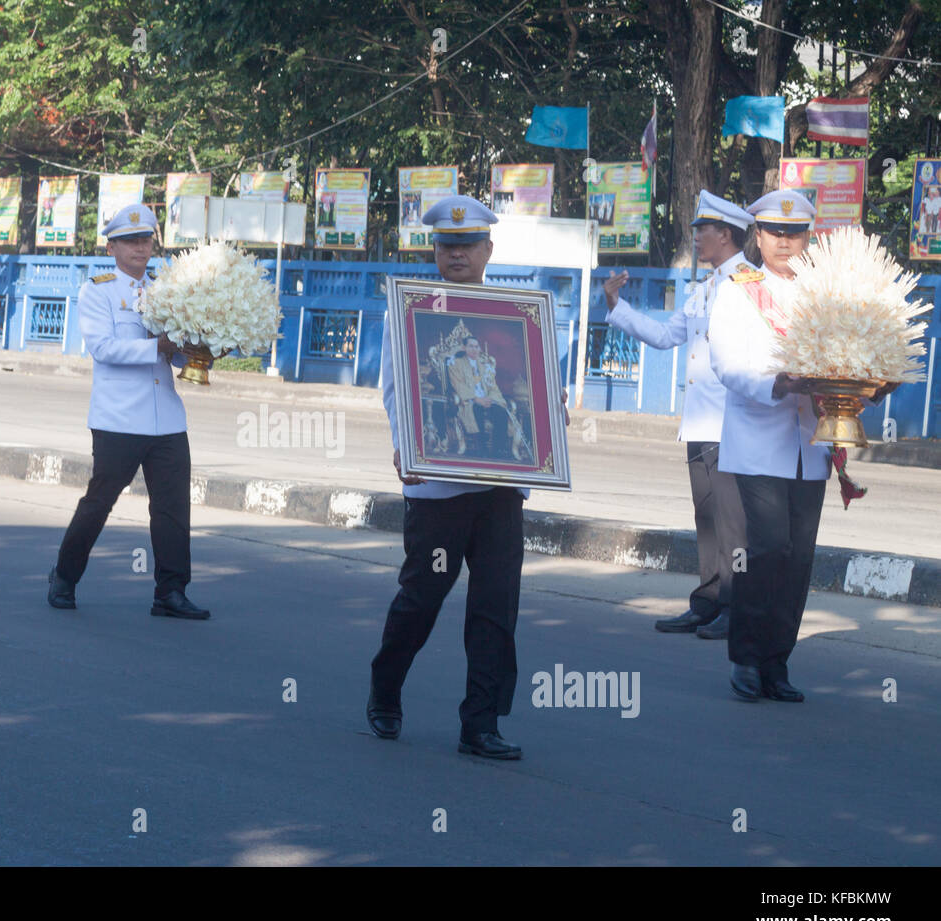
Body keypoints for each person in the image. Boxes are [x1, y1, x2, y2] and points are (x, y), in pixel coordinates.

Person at [370, 195, 565, 760]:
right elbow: (395, 390)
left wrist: (552, 410)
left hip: (502, 485)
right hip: (438, 486)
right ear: (435, 250)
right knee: (422, 596)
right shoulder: (411, 308)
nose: (455, 255)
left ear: (488, 249)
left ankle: (480, 723)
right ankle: (386, 687)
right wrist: (406, 447)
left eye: (466, 245)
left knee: (496, 605)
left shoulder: (517, 312)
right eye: (446, 245)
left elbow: (535, 387)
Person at [708, 189, 886, 703]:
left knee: (799, 557)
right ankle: (745, 656)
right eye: (775, 232)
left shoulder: (826, 292)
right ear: (757, 236)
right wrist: (778, 384)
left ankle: (776, 662)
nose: (785, 242)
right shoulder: (738, 289)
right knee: (766, 549)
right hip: (758, 441)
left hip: (812, 445)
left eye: (795, 233)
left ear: (809, 237)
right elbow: (727, 362)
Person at [602, 190, 753, 640]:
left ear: (724, 235)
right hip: (702, 422)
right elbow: (668, 336)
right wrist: (618, 307)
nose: (698, 239)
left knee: (734, 524)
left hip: (734, 424)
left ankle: (735, 605)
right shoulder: (705, 288)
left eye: (702, 231)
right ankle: (707, 600)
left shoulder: (750, 284)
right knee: (706, 517)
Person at [48, 203, 210, 620]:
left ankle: (171, 592)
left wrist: (199, 352)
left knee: (173, 508)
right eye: (131, 241)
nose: (141, 248)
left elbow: (174, 360)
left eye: (146, 240)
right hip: (118, 418)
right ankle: (65, 575)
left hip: (167, 418)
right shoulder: (97, 290)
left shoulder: (168, 290)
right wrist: (156, 346)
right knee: (99, 501)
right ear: (112, 247)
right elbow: (102, 348)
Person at [446, 336, 526, 460]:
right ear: (464, 348)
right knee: (477, 410)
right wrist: (476, 399)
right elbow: (458, 384)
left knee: (500, 411)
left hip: (487, 400)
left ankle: (497, 450)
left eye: (476, 346)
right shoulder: (456, 364)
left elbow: (493, 387)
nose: (474, 349)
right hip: (469, 401)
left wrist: (491, 399)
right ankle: (481, 448)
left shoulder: (484, 366)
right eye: (471, 346)